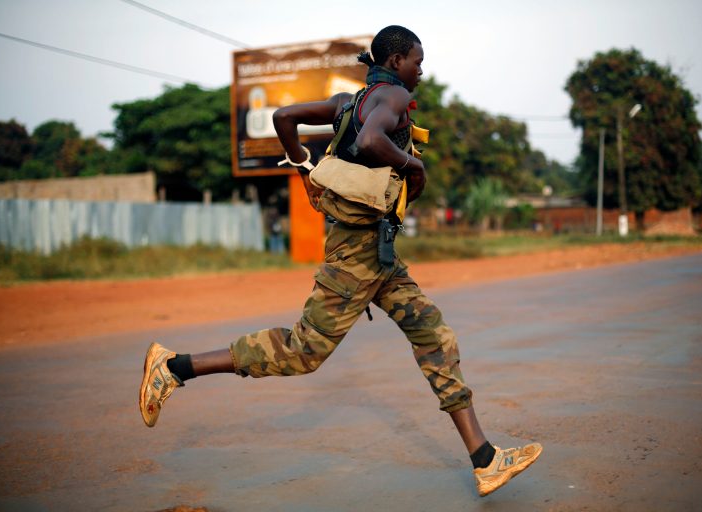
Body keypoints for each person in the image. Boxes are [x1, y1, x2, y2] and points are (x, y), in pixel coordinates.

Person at [139, 25, 541, 497]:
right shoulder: (389, 98)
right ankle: (173, 367)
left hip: (379, 253)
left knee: (433, 333)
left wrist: (302, 166)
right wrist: (414, 165)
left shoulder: (346, 102)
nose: (421, 69)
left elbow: (285, 116)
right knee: (301, 351)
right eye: (417, 60)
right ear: (395, 62)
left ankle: (485, 460)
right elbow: (372, 142)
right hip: (356, 256)